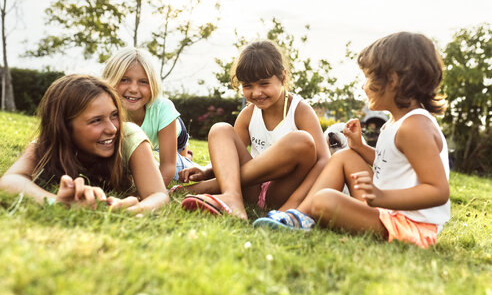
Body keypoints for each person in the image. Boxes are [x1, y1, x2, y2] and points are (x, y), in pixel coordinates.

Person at [254, 32, 450, 248]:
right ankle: (298, 216)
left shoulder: (415, 127)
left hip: (408, 225)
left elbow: (437, 190)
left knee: (325, 200)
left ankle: (303, 215)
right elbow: (395, 165)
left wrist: (383, 197)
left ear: (392, 80)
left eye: (368, 78)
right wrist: (359, 147)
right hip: (386, 210)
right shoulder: (396, 122)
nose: (363, 86)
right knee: (344, 156)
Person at [179, 40, 331, 220]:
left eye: (264, 84)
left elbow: (324, 162)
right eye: (247, 86)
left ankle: (212, 186)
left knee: (301, 140)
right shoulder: (248, 115)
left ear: (282, 77)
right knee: (220, 129)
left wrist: (293, 204)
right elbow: (230, 159)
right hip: (250, 189)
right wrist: (207, 170)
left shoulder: (300, 111)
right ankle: (232, 197)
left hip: (282, 191)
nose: (256, 93)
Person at [0, 75, 169, 213]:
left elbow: (159, 194)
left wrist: (136, 209)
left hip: (154, 157)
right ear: (64, 127)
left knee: (185, 175)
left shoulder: (130, 136)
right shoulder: (47, 144)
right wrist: (57, 203)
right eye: (96, 120)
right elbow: (10, 180)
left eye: (114, 115)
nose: (112, 129)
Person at [102, 47, 196, 186]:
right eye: (124, 80)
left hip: (173, 131)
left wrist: (153, 191)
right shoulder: (103, 110)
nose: (133, 89)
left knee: (181, 169)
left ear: (153, 84)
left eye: (143, 81)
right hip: (145, 146)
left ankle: (186, 155)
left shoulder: (163, 109)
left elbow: (168, 166)